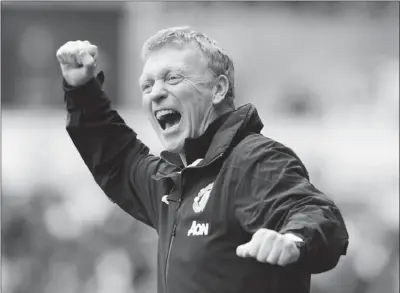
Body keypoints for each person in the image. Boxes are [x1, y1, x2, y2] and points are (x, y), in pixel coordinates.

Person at [56, 26, 349, 293]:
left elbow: (313, 210)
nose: (156, 92)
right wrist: (83, 91)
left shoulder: (253, 160)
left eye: (172, 78)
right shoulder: (174, 183)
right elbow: (117, 157)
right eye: (147, 86)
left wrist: (295, 240)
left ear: (218, 89)